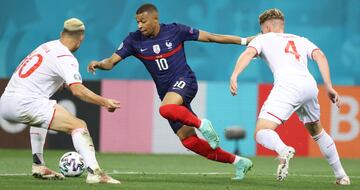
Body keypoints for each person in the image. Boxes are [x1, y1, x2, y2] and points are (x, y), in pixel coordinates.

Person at [88, 3, 253, 180]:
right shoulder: (134, 40)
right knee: (189, 141)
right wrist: (99, 63)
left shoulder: (175, 30)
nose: (139, 26)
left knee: (165, 109)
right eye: (137, 22)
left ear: (155, 18)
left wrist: (244, 41)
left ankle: (202, 124)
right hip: (168, 93)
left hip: (185, 81)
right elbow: (111, 62)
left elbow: (211, 37)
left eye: (143, 21)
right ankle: (239, 162)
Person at [229, 8, 350, 185]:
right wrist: (329, 87)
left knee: (262, 131)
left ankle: (283, 150)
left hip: (288, 85)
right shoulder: (300, 40)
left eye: (262, 29)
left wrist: (235, 75)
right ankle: (342, 176)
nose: (261, 33)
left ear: (268, 27)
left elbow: (248, 53)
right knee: (317, 131)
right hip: (309, 85)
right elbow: (320, 56)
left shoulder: (263, 38)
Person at [0, 18, 121, 184]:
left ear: (61, 33)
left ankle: (38, 165)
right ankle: (95, 173)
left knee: (39, 118)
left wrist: (61, 83)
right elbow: (78, 91)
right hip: (26, 102)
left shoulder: (47, 46)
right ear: (81, 38)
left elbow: (41, 73)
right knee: (78, 126)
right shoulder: (66, 57)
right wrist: (104, 101)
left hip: (6, 102)